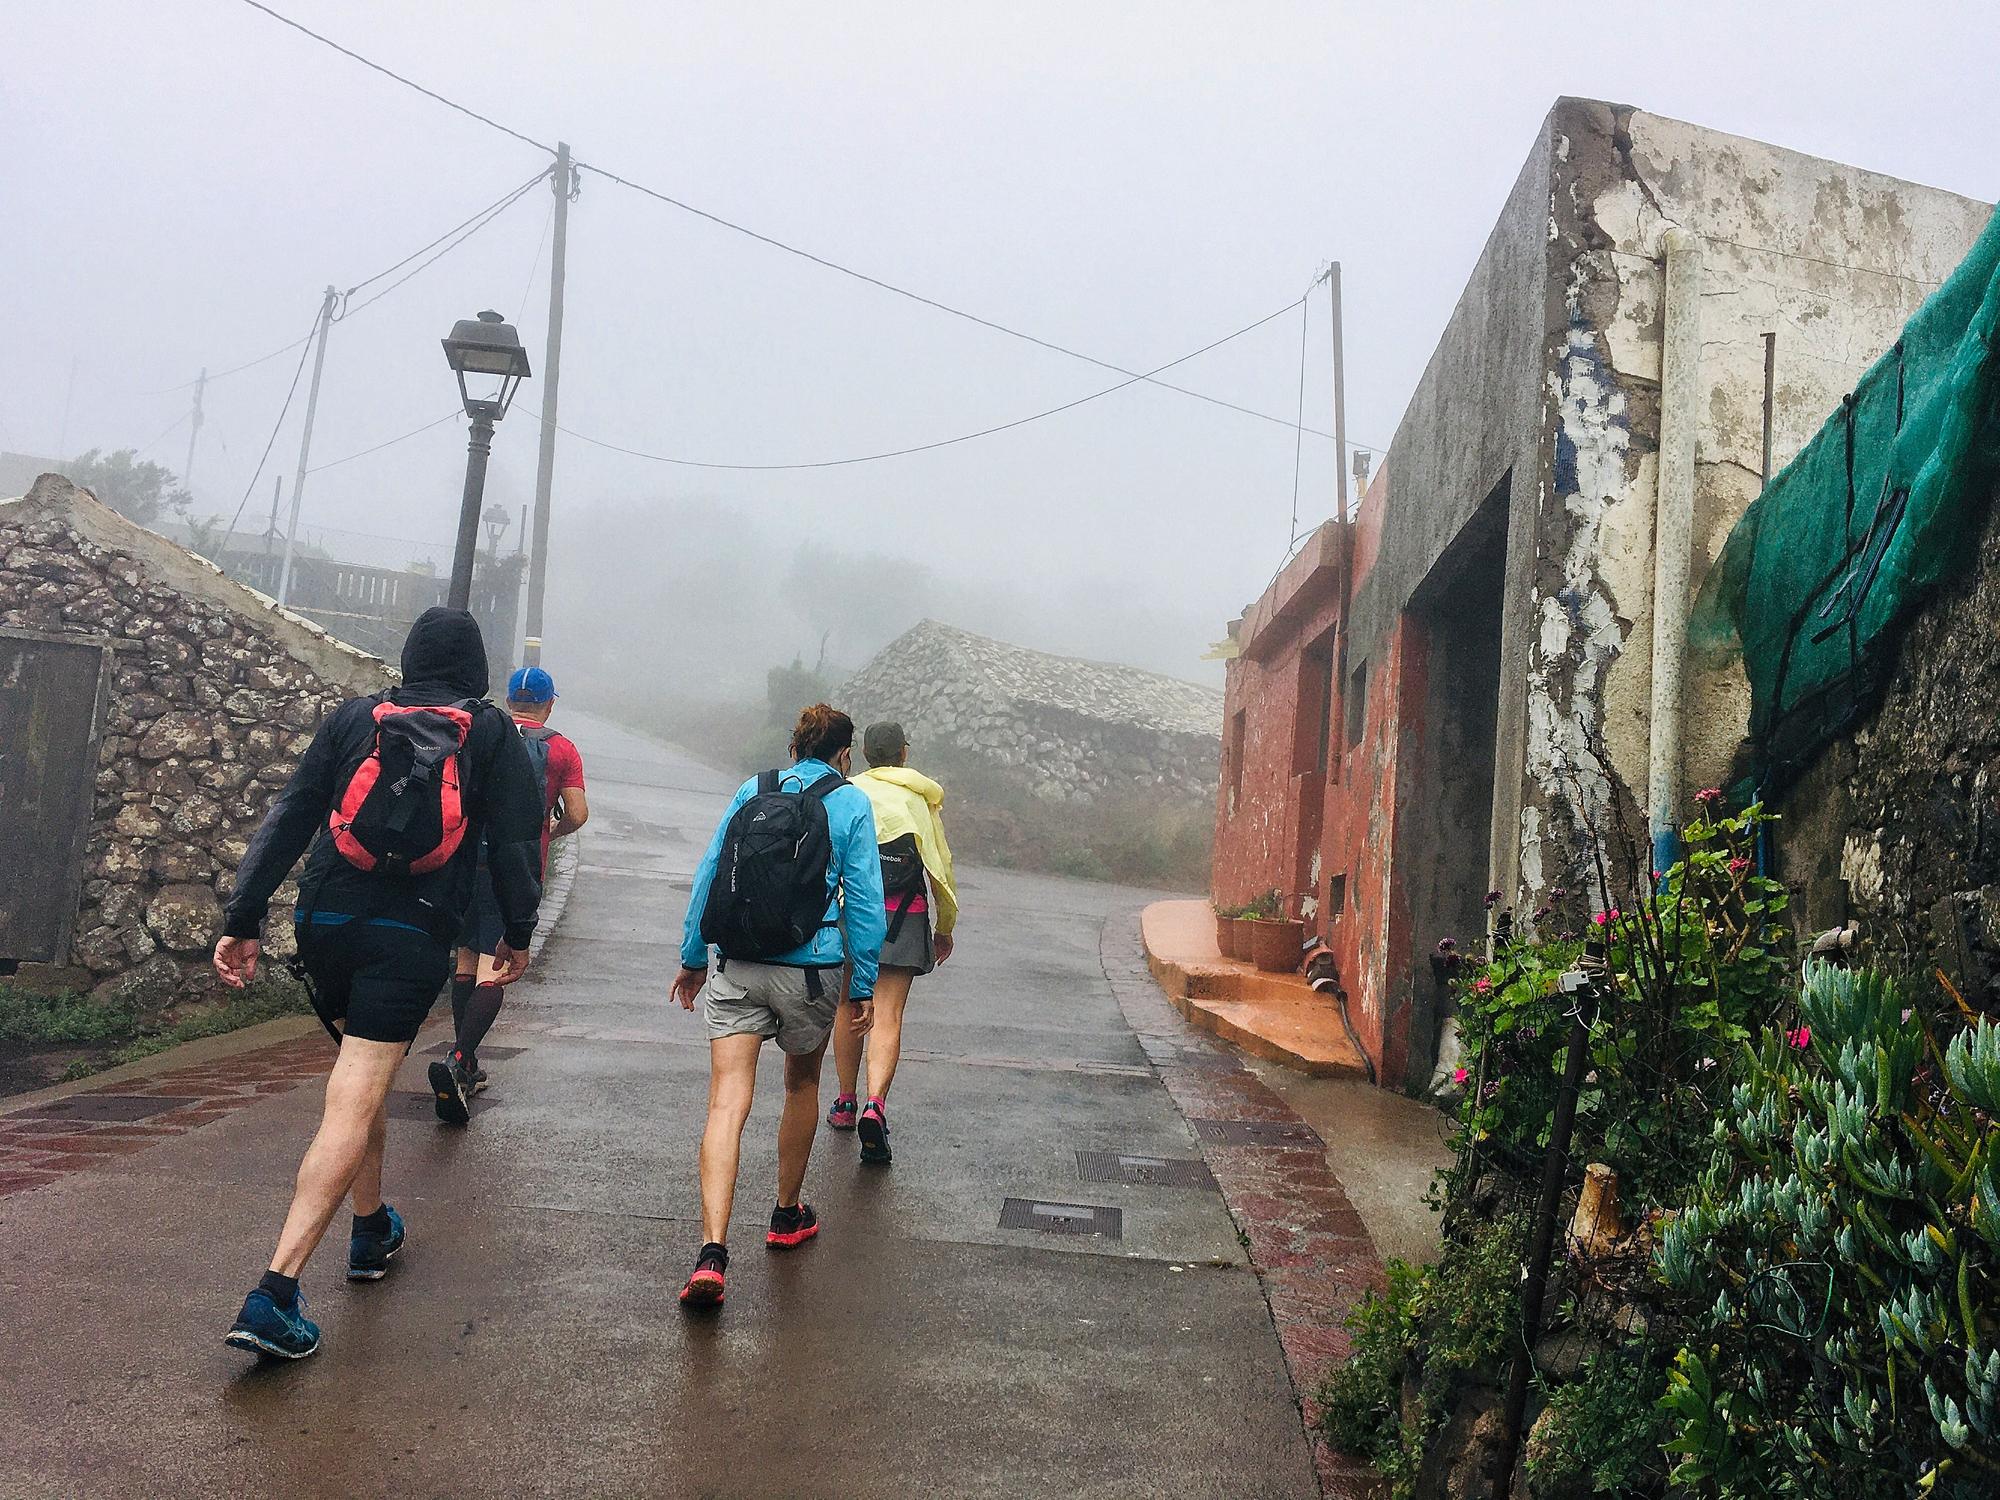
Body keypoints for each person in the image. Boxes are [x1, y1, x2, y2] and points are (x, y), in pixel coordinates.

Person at [212, 607, 544, 1360]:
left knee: (362, 1075)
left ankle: (371, 1229)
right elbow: (517, 848)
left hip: (326, 919)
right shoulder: (490, 734)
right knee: (358, 1090)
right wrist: (514, 937)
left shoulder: (355, 718)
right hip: (412, 929)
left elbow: (292, 816)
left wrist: (245, 913)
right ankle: (276, 1292)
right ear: (478, 669)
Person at [669, 704, 886, 1310]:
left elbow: (711, 871)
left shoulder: (752, 789)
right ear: (845, 754)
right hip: (810, 973)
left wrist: (692, 956)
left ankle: (711, 1252)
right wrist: (862, 984)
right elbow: (867, 901)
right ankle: (786, 1216)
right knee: (800, 1084)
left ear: (794, 746)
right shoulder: (849, 802)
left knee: (726, 1100)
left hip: (738, 965)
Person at [432, 664, 588, 1122]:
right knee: (494, 966)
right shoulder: (560, 748)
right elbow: (577, 813)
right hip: (514, 864)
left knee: (465, 956)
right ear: (550, 703)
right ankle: (460, 1059)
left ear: (508, 698)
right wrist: (547, 833)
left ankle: (467, 1061)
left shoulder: (479, 732)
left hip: (463, 856)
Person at [829, 721, 957, 1165]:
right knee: (888, 1013)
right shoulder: (919, 801)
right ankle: (874, 1104)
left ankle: (844, 1101)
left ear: (863, 754)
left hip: (852, 912)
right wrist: (946, 926)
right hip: (905, 918)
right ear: (904, 754)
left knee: (848, 1005)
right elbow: (939, 866)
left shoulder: (848, 792)